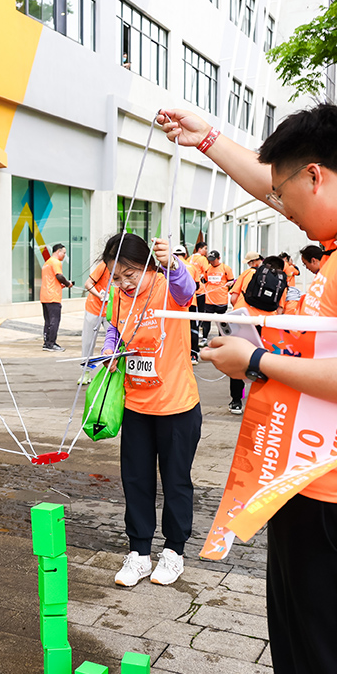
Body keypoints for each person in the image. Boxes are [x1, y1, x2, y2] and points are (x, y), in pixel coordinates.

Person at [159, 103, 337, 674]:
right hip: (320, 477)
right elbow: (274, 183)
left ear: (316, 175)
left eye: (287, 199)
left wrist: (257, 361)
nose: (283, 211)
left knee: (333, 664)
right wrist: (209, 140)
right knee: (304, 650)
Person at [99, 233, 201, 588]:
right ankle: (139, 553)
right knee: (136, 480)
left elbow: (187, 288)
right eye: (115, 276)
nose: (123, 283)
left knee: (176, 482)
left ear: (147, 265)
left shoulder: (168, 287)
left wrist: (172, 263)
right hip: (137, 405)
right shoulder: (117, 296)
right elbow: (115, 329)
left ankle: (174, 552)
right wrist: (112, 351)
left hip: (177, 405)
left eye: (130, 274)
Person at [227, 256, 288, 415]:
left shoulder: (248, 273)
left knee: (236, 359)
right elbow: (280, 310)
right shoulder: (281, 283)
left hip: (243, 318)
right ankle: (261, 401)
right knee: (263, 360)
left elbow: (233, 297)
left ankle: (236, 401)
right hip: (265, 323)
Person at [80, 258, 112, 383]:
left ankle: (111, 372)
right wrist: (100, 295)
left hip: (110, 311)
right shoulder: (104, 266)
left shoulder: (124, 268)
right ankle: (85, 372)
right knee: (88, 342)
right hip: (94, 308)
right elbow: (88, 284)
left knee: (113, 342)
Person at [41, 243, 75, 351]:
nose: (64, 255)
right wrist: (68, 283)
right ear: (58, 251)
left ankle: (46, 343)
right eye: (64, 253)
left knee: (48, 321)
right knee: (55, 320)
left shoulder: (47, 263)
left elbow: (52, 280)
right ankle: (51, 344)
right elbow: (59, 276)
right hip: (53, 296)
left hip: (45, 295)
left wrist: (61, 285)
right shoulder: (56, 262)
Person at [175, 245, 202, 363]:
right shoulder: (192, 267)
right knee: (193, 329)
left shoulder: (171, 267)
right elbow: (197, 285)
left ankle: (177, 355)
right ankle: (193, 355)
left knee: (175, 329)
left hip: (175, 304)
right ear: (186, 255)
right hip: (191, 302)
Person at [199, 249, 234, 342]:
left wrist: (230, 284)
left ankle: (221, 339)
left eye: (213, 260)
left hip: (221, 300)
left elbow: (232, 281)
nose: (211, 262)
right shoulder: (208, 269)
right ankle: (204, 338)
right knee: (207, 319)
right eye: (210, 260)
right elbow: (205, 281)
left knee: (221, 321)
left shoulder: (226, 268)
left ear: (219, 258)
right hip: (209, 299)